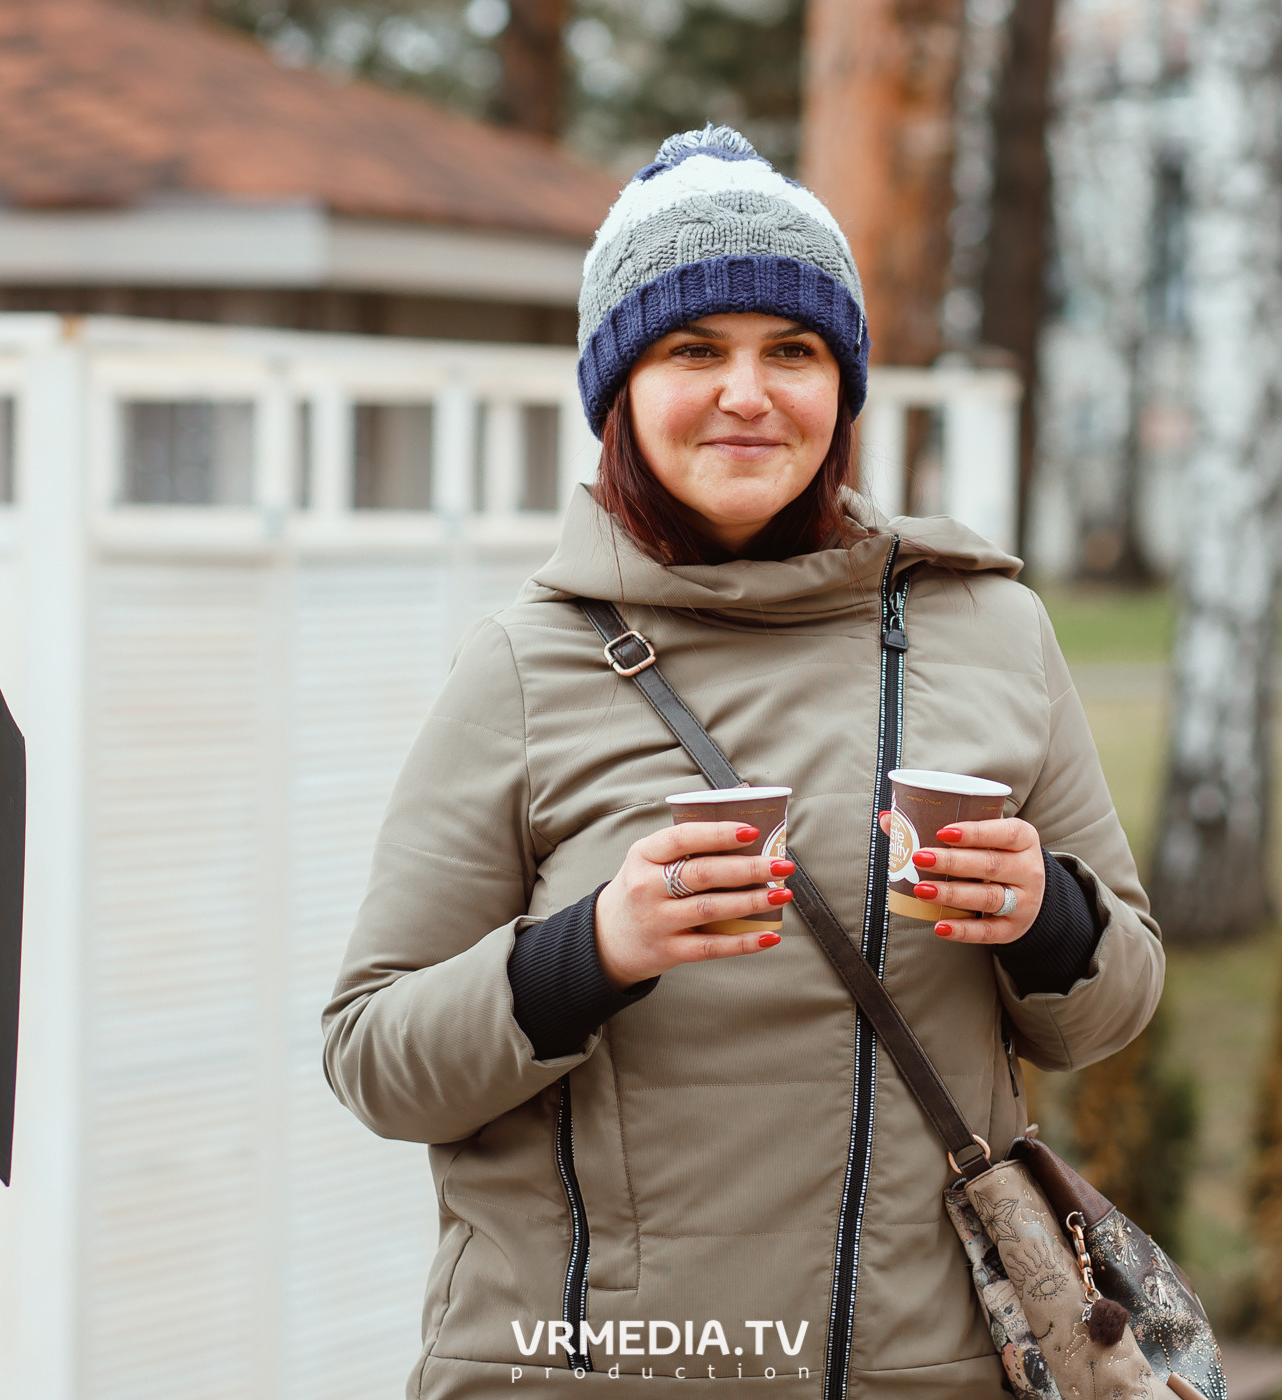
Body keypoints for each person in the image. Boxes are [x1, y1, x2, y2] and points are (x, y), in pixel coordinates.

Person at [325, 125, 1163, 1398]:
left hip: (932, 1369)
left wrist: (1045, 913)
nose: (748, 392)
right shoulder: (523, 664)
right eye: (693, 349)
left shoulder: (991, 629)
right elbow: (375, 1053)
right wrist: (596, 946)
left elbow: (1113, 999)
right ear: (618, 388)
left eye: (794, 350)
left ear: (843, 385)